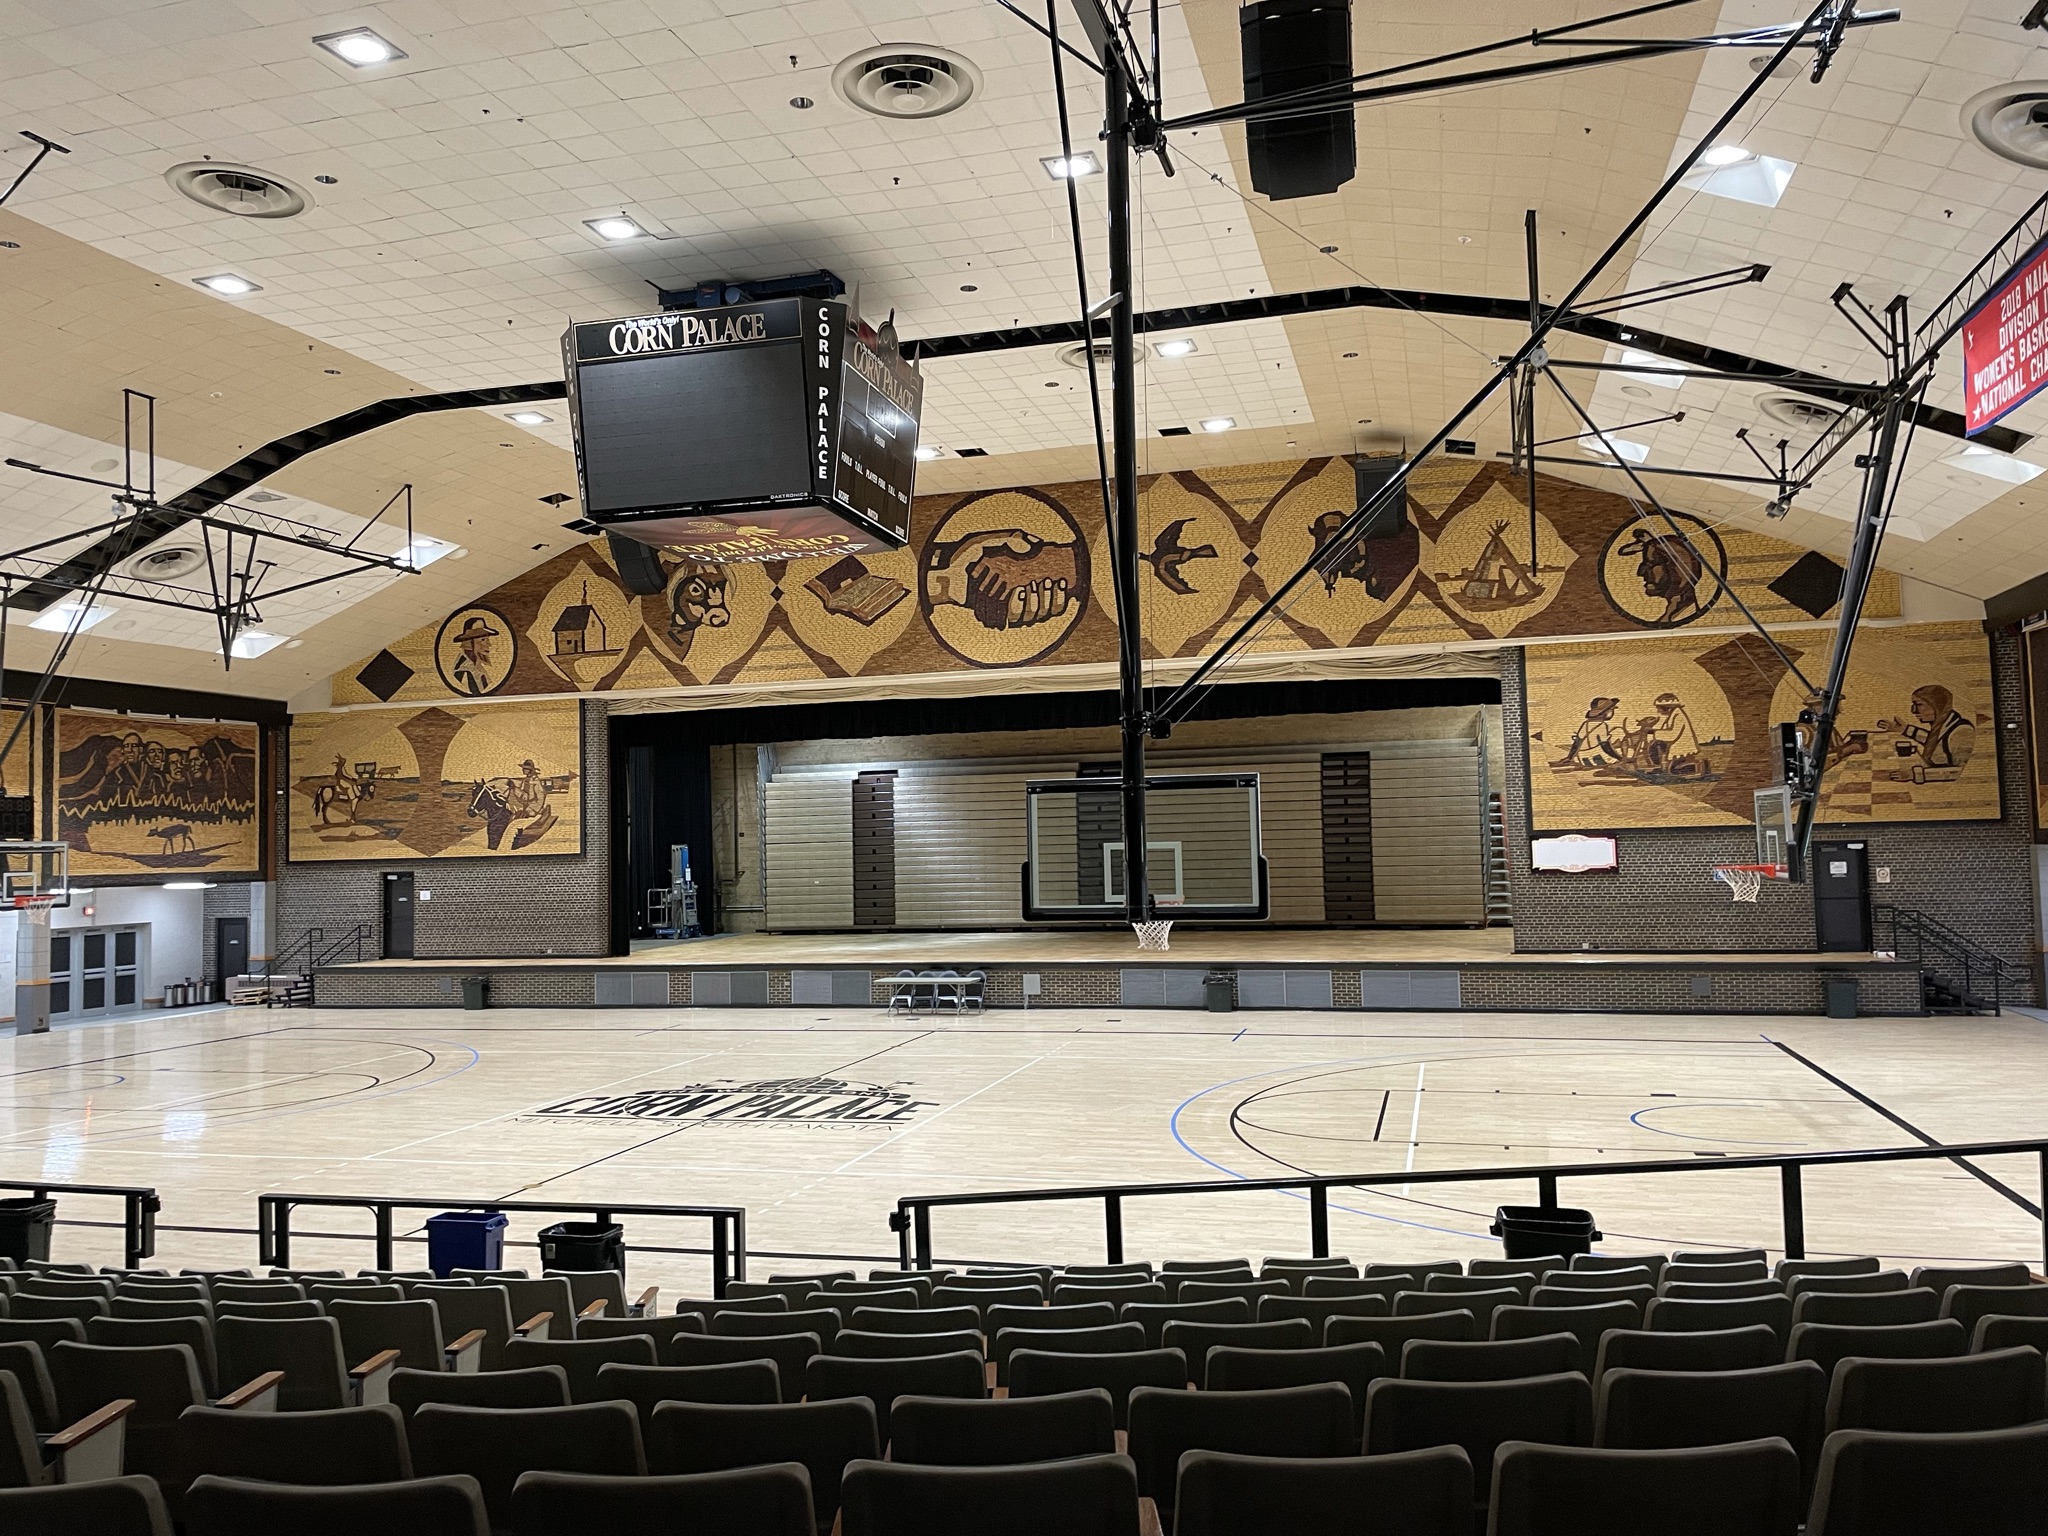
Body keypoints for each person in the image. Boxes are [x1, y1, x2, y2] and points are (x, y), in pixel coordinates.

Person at [1877, 684, 1974, 783]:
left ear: (1936, 706)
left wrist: (1915, 774)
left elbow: (1961, 771)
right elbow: (1936, 742)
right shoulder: (1944, 725)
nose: (1913, 711)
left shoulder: (1962, 731)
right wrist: (1905, 729)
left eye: (1918, 704)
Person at [1561, 697, 1623, 766]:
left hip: (1582, 759)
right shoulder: (1602, 725)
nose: (1612, 712)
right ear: (1605, 711)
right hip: (1598, 758)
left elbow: (1577, 742)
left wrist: (1569, 757)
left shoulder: (1585, 723)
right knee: (1619, 756)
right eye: (1611, 710)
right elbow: (1605, 746)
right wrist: (1619, 758)